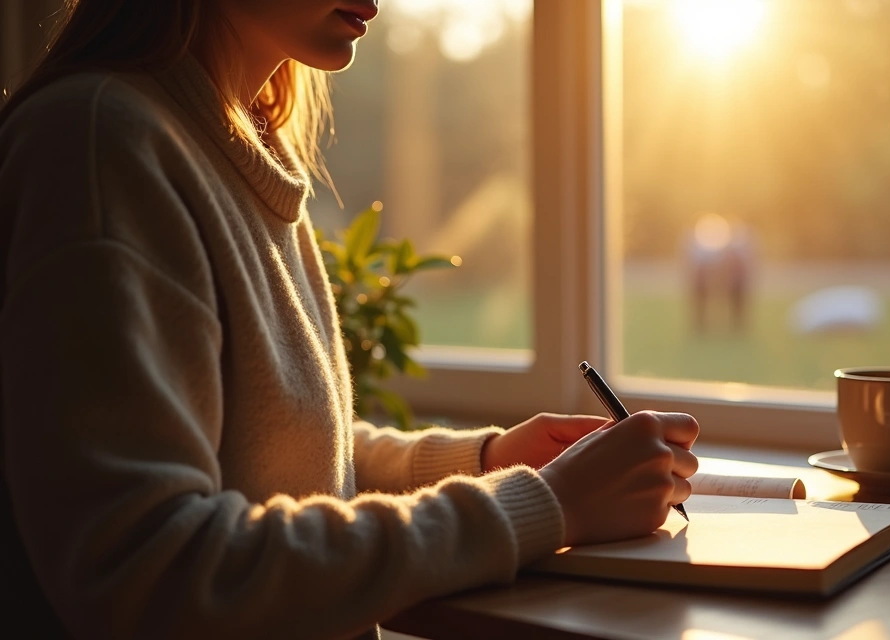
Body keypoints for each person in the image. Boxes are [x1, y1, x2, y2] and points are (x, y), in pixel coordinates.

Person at [0, 1, 699, 638]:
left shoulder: (242, 145)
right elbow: (150, 573)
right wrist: (547, 505)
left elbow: (280, 461)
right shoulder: (97, 147)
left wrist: (485, 463)